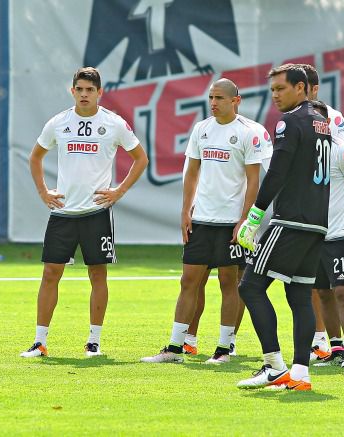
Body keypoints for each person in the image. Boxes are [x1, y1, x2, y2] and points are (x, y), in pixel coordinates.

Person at [20, 67, 148, 358]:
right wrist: (43, 191)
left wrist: (119, 191)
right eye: (80, 89)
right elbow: (35, 156)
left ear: (100, 93)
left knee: (97, 274)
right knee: (51, 274)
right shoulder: (58, 123)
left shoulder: (114, 124)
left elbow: (141, 159)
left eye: (90, 90)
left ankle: (94, 342)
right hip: (63, 213)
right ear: (72, 91)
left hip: (96, 213)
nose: (84, 94)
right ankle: (40, 342)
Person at [140, 78, 267, 364]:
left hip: (230, 222)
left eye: (220, 98)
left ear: (236, 101)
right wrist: (186, 210)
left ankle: (223, 348)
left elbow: (253, 180)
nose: (213, 103)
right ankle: (175, 348)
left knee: (228, 282)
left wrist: (245, 219)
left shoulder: (250, 132)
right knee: (189, 281)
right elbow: (192, 172)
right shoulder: (202, 129)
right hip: (202, 219)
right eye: (211, 97)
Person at [234, 64, 331, 391]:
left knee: (249, 287)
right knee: (299, 294)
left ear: (301, 88)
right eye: (272, 89)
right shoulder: (322, 121)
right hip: (317, 223)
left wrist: (254, 217)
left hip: (290, 221)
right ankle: (300, 373)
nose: (275, 95)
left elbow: (277, 172)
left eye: (281, 88)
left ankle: (274, 366)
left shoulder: (290, 121)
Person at [300, 64, 344, 367]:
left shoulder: (343, 151)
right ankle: (335, 348)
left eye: (318, 122)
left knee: (342, 290)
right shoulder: (301, 154)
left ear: (327, 124)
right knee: (321, 292)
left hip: (339, 233)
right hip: (313, 234)